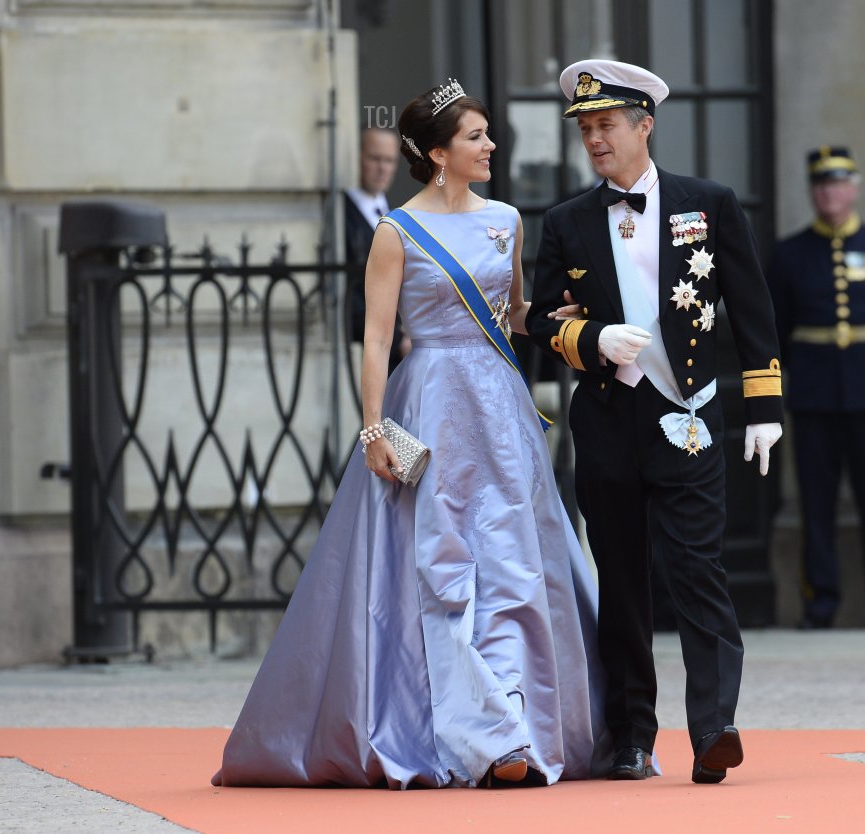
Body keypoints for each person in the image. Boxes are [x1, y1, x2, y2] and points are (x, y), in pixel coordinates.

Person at [213, 79, 608, 789]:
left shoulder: (507, 220)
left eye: (488, 135)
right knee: (439, 560)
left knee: (513, 558)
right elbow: (375, 338)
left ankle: (516, 727)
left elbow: (513, 312)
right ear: (437, 153)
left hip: (499, 401)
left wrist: (559, 319)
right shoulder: (395, 231)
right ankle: (471, 733)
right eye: (475, 137)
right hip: (427, 401)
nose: (490, 146)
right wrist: (373, 430)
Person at [526, 60, 785, 785]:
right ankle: (633, 736)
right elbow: (542, 319)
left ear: (645, 125)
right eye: (586, 130)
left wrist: (764, 409)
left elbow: (753, 310)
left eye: (607, 126)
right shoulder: (567, 221)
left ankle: (714, 729)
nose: (596, 141)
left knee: (698, 570)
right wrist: (591, 340)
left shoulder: (710, 202)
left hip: (690, 414)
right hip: (609, 419)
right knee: (624, 583)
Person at [765, 146, 865, 631]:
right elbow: (777, 328)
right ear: (813, 192)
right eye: (821, 185)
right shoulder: (789, 254)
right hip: (812, 395)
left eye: (837, 183)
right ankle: (821, 603)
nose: (829, 192)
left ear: (854, 188)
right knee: (816, 502)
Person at [345, 127, 407, 369]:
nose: (383, 168)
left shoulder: (393, 213)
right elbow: (352, 293)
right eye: (375, 158)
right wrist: (398, 341)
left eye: (389, 160)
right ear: (358, 158)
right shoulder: (343, 215)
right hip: (373, 352)